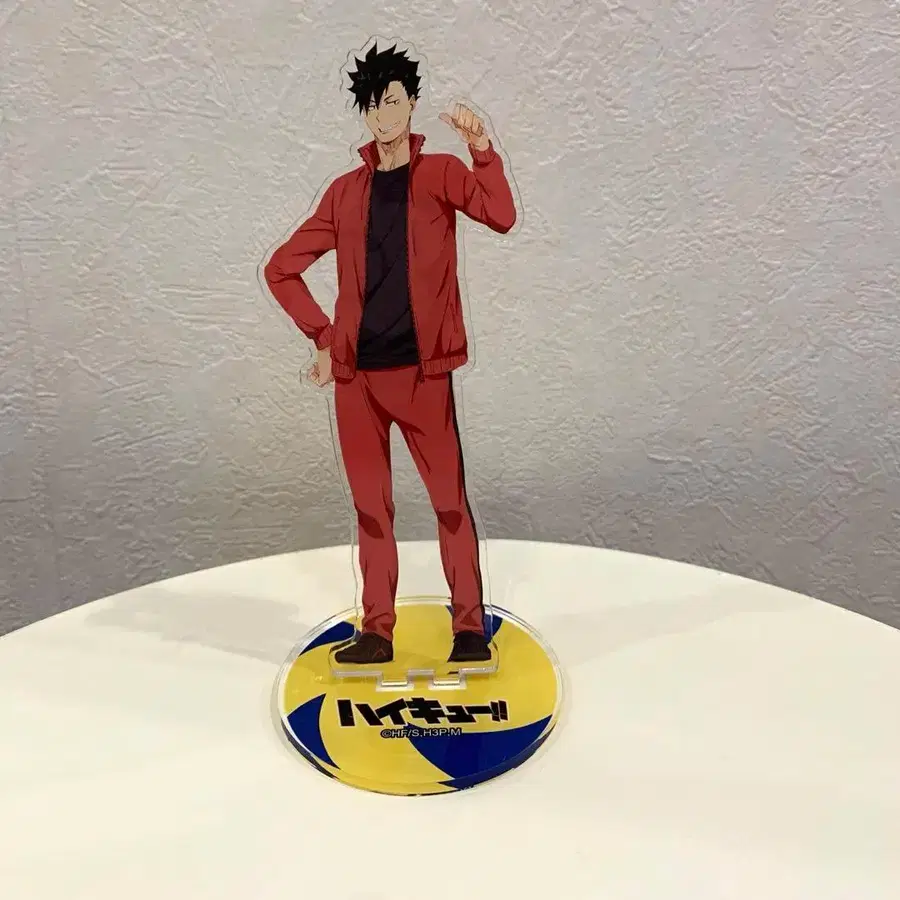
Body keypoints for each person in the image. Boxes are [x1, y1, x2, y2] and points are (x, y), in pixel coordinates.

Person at [263, 43, 516, 664]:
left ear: (412, 104)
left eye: (394, 100)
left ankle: (469, 630)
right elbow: (281, 269)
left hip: (423, 376)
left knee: (449, 503)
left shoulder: (441, 174)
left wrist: (483, 150)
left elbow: (502, 215)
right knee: (371, 511)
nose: (384, 114)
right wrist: (325, 338)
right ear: (364, 112)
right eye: (374, 104)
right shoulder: (344, 194)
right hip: (358, 384)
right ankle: (377, 631)